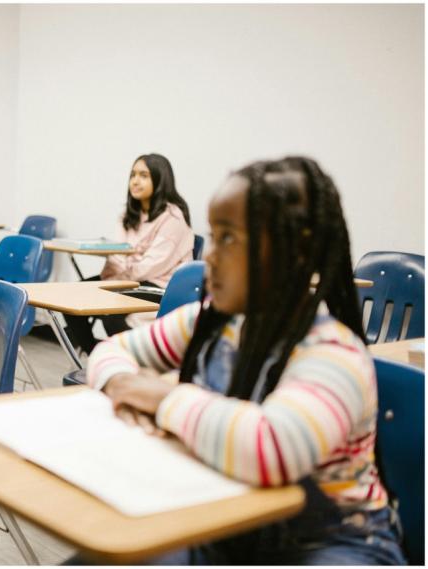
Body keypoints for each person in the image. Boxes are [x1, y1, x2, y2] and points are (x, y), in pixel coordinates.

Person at [85, 156, 405, 564]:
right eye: (213, 236)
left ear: (294, 251)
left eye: (230, 239)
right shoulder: (212, 323)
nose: (210, 256)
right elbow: (112, 350)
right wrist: (121, 383)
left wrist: (162, 400)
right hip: (227, 521)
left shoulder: (332, 352)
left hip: (334, 543)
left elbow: (273, 450)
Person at [66, 153, 194, 354]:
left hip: (158, 286)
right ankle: (97, 356)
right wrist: (120, 266)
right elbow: (117, 253)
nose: (135, 181)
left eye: (143, 175)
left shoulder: (173, 218)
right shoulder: (128, 215)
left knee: (111, 311)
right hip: (125, 279)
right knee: (71, 297)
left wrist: (120, 267)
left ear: (160, 180)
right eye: (133, 175)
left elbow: (150, 266)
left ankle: (134, 360)